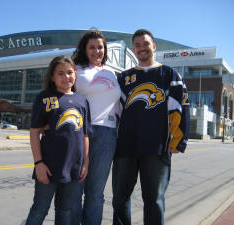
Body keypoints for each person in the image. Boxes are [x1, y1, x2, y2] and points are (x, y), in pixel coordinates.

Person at [112, 29, 190, 225]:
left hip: (156, 147)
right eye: (137, 45)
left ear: (154, 46)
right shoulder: (124, 78)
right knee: (120, 199)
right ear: (133, 49)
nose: (142, 48)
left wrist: (179, 140)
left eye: (145, 43)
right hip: (125, 148)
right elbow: (114, 112)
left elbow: (181, 108)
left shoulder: (169, 74)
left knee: (154, 200)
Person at [25, 56, 92, 225]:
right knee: (40, 209)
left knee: (65, 211)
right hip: (48, 167)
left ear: (75, 74)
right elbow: (34, 132)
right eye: (60, 73)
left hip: (73, 169)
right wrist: (38, 163)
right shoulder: (45, 97)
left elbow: (85, 135)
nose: (66, 77)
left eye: (69, 72)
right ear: (53, 77)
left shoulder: (82, 101)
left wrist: (85, 162)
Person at [71, 29, 121, 225]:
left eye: (100, 47)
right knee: (75, 190)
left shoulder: (111, 73)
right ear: (84, 49)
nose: (96, 51)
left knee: (95, 194)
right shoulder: (75, 69)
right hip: (80, 132)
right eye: (91, 47)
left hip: (108, 134)